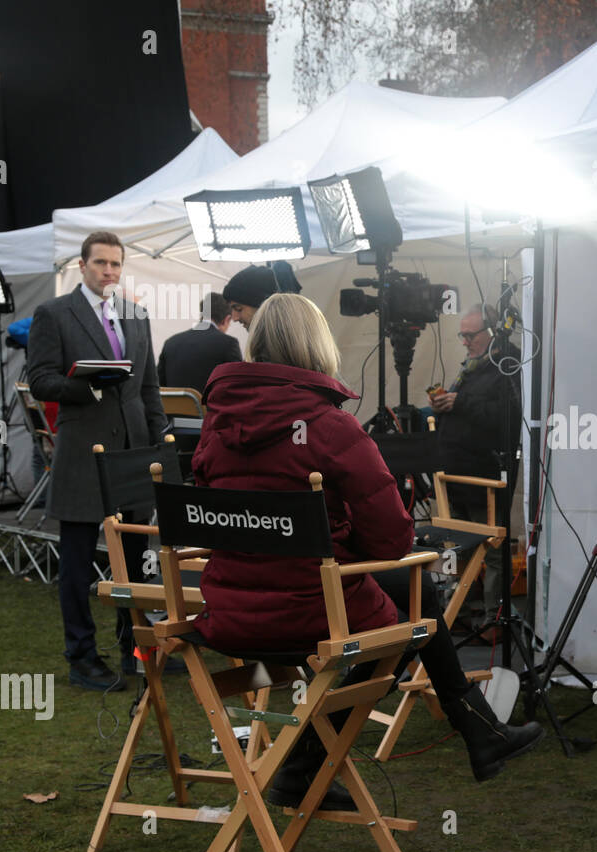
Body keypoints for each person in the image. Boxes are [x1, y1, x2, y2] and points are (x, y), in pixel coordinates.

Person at [193, 293, 542, 803]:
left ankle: (474, 732)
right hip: (310, 613)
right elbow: (393, 540)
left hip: (229, 610)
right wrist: (343, 532)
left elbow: (215, 521)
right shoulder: (330, 426)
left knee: (410, 592)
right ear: (316, 344)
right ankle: (312, 760)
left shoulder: (216, 425)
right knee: (411, 614)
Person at [26, 230, 168, 690]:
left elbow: (148, 385)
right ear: (82, 266)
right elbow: (42, 380)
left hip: (131, 452)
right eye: (101, 263)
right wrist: (89, 384)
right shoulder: (53, 314)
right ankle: (82, 656)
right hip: (82, 451)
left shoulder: (137, 316)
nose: (109, 271)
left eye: (116, 264)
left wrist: (160, 435)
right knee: (78, 559)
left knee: (133, 556)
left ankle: (135, 648)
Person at [432, 304, 522, 623]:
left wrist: (461, 402)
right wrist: (444, 406)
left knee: (493, 551)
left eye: (470, 335)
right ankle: (459, 613)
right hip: (455, 477)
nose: (465, 341)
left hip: (484, 476)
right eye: (462, 334)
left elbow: (509, 419)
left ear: (492, 332)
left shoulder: (507, 364)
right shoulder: (472, 366)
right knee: (457, 548)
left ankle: (494, 618)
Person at [157, 292, 241, 395]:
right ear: (227, 319)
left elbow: (159, 385)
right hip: (211, 410)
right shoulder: (229, 344)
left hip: (171, 410)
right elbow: (238, 386)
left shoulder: (171, 342)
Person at [220, 264, 279, 330]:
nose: (234, 318)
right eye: (231, 309)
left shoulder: (282, 339)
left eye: (238, 308)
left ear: (262, 305)